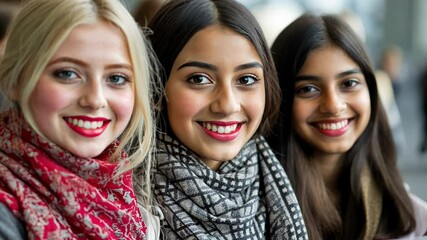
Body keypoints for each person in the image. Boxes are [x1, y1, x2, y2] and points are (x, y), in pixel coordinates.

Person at [0, 0, 161, 239]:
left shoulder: (134, 193)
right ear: (15, 80)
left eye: (116, 78)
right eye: (67, 74)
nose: (95, 99)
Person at [147, 0, 308, 239]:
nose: (227, 105)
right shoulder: (122, 199)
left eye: (246, 80)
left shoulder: (296, 172)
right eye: (199, 79)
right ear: (157, 87)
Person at [267, 13, 427, 239]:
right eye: (308, 89)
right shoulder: (245, 212)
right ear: (279, 99)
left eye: (349, 83)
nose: (333, 106)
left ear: (370, 91)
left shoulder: (413, 220)